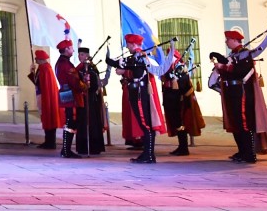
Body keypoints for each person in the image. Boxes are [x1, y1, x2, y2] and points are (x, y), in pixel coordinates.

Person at [107, 33, 175, 164]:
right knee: (146, 124)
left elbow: (159, 70)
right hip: (137, 92)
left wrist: (171, 50)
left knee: (146, 124)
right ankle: (147, 153)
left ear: (133, 44)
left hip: (139, 93)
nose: (127, 47)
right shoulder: (138, 57)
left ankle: (149, 155)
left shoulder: (140, 58)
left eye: (128, 44)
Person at [214, 30, 258, 163]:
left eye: (228, 39)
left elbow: (241, 72)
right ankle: (242, 151)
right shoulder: (233, 54)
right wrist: (220, 68)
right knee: (235, 122)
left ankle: (250, 154)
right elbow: (229, 72)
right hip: (231, 90)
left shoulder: (244, 53)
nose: (226, 42)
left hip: (241, 91)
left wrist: (224, 67)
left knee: (244, 122)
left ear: (234, 40)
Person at [161, 49, 204, 156]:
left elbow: (183, 84)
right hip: (170, 98)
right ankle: (181, 146)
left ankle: (184, 148)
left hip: (178, 100)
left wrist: (174, 80)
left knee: (180, 123)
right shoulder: (170, 68)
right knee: (176, 122)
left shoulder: (181, 68)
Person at [54, 39, 86, 159]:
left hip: (65, 92)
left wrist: (81, 65)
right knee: (70, 121)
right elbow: (74, 81)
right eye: (72, 48)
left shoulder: (61, 62)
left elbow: (73, 73)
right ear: (66, 49)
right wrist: (85, 85)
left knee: (70, 121)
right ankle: (66, 150)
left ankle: (66, 149)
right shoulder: (65, 64)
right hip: (70, 94)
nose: (73, 50)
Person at [27, 49, 62, 150]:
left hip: (46, 97)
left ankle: (51, 142)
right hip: (42, 96)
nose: (35, 59)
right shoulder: (42, 68)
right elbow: (38, 82)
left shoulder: (46, 69)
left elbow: (43, 85)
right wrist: (32, 72)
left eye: (36, 58)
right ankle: (48, 141)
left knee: (49, 118)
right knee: (46, 119)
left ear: (41, 59)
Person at [74, 46, 106, 155]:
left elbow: (94, 85)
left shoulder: (91, 68)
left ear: (87, 56)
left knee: (91, 122)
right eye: (79, 54)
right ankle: (83, 146)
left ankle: (93, 146)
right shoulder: (79, 68)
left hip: (91, 100)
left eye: (82, 54)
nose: (79, 56)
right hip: (82, 98)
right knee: (82, 122)